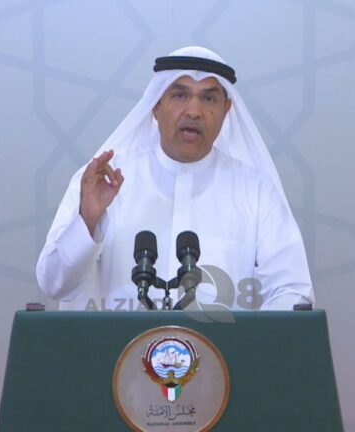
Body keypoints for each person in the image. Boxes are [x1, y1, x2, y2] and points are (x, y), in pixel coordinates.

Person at [36, 46, 314, 311]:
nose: (194, 111)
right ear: (156, 106)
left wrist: (254, 340)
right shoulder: (102, 183)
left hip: (223, 346)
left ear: (226, 110)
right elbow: (53, 283)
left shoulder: (255, 190)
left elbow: (292, 290)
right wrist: (87, 220)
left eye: (208, 99)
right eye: (180, 95)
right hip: (118, 346)